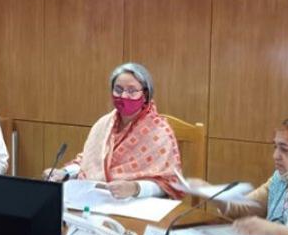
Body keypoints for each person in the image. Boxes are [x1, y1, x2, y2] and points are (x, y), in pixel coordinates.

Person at [43, 63, 183, 199]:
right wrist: (64, 173)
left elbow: (168, 184)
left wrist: (135, 188)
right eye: (118, 89)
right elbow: (87, 162)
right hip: (96, 199)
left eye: (132, 90)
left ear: (145, 94)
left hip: (137, 203)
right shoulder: (104, 123)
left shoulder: (159, 131)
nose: (124, 96)